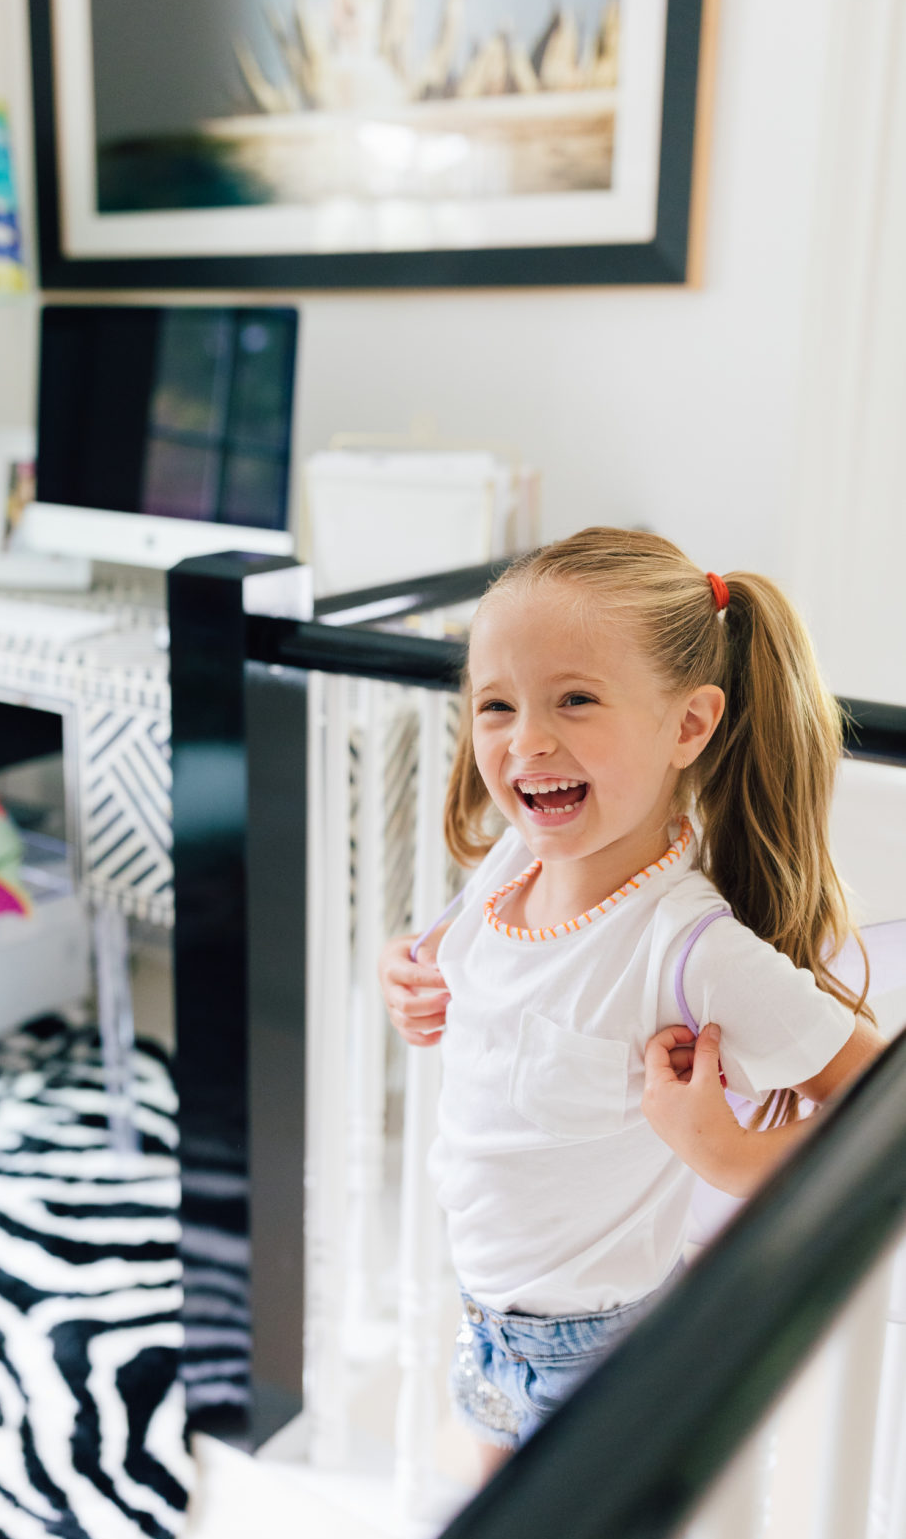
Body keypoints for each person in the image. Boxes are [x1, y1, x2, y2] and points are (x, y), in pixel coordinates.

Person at [378, 528, 883, 1479]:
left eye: (575, 699)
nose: (527, 739)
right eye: (497, 704)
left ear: (688, 725)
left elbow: (883, 1103)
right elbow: (440, 956)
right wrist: (399, 971)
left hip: (596, 1352)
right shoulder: (515, 861)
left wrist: (729, 1154)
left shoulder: (690, 948)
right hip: (485, 1314)